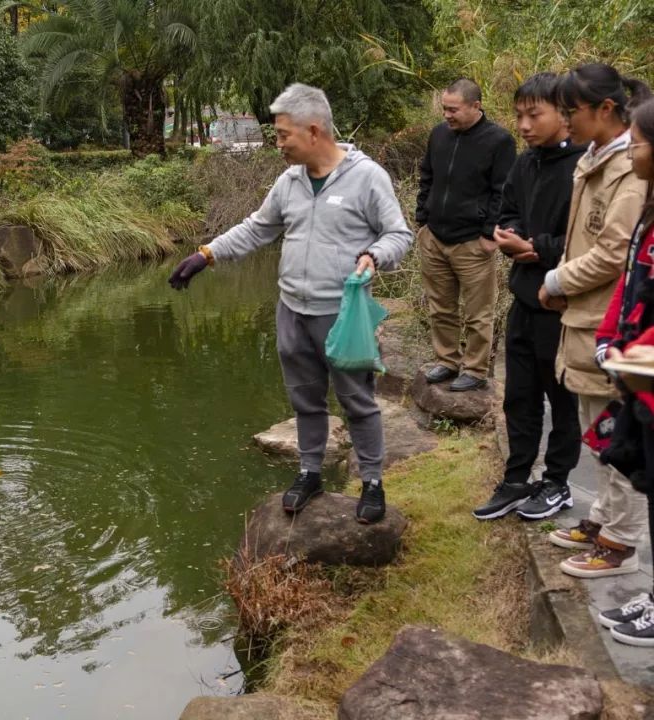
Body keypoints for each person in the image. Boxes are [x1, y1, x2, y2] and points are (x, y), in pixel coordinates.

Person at [168, 83, 412, 524]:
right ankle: (310, 472)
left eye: (283, 135)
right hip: (291, 310)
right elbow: (258, 228)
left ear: (313, 130)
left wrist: (375, 256)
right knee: (305, 398)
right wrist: (206, 254)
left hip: (342, 314)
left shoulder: (367, 176)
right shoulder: (290, 181)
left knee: (357, 399)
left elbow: (399, 234)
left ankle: (372, 481)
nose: (277, 143)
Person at [539, 64, 652, 579]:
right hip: (589, 321)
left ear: (606, 110)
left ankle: (621, 544)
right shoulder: (594, 159)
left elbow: (611, 253)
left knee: (619, 435)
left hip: (616, 329)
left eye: (571, 112)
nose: (566, 122)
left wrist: (557, 282)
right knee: (598, 431)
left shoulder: (629, 168)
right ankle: (604, 519)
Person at [472, 73, 586, 521]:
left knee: (563, 399)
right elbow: (509, 210)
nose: (523, 125)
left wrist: (536, 247)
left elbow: (590, 244)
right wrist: (511, 234)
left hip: (563, 305)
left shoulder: (585, 168)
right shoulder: (525, 163)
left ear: (564, 113)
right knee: (518, 396)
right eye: (519, 115)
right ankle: (517, 478)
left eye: (533, 114)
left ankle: (558, 482)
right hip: (523, 299)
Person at [589, 98, 654, 644]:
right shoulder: (650, 216)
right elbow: (629, 284)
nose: (631, 149)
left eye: (637, 141)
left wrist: (637, 354)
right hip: (641, 385)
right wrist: (610, 339)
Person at [417, 78, 517, 392]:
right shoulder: (439, 135)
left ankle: (474, 369)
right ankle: (447, 361)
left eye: (453, 109)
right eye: (444, 108)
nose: (447, 115)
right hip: (435, 236)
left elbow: (503, 191)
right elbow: (427, 176)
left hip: (473, 242)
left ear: (476, 105)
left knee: (478, 313)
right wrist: (421, 219)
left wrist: (489, 234)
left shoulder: (499, 140)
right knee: (441, 307)